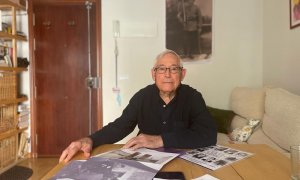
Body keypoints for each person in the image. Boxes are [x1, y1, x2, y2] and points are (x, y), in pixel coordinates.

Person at [59, 49, 217, 163]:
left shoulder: (193, 97)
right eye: (161, 69)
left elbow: (208, 135)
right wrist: (90, 140)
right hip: (146, 162)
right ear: (153, 74)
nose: (167, 75)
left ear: (182, 74)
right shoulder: (142, 96)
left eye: (174, 69)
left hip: (182, 161)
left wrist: (160, 140)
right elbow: (120, 127)